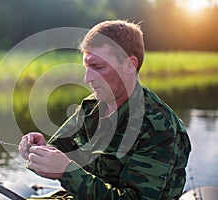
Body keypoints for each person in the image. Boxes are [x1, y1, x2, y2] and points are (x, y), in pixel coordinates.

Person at [19, 19, 191, 199]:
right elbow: (61, 147)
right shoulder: (91, 107)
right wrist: (38, 150)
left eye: (98, 67)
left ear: (129, 65)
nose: (87, 78)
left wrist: (67, 172)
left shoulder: (158, 126)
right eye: (86, 67)